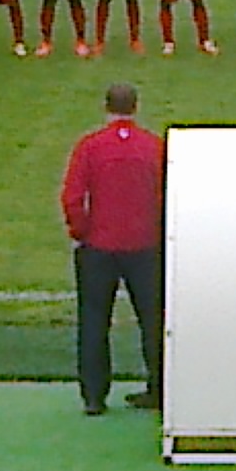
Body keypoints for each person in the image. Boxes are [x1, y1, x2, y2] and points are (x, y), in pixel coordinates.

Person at [61, 82, 166, 415]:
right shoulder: (155, 147)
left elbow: (73, 197)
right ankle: (159, 388)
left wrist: (82, 231)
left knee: (93, 321)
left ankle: (94, 395)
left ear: (107, 107)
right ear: (136, 107)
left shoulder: (90, 147)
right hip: (145, 245)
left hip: (99, 246)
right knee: (153, 320)